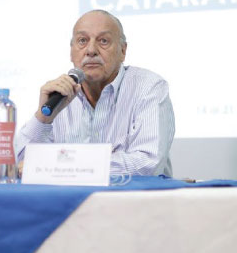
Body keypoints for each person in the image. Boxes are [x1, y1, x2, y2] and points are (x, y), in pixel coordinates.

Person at [15, 9, 175, 176]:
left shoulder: (148, 87)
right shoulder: (60, 94)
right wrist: (43, 118)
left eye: (103, 41)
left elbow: (148, 163)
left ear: (122, 51)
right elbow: (21, 164)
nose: (91, 50)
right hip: (69, 201)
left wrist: (67, 166)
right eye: (82, 41)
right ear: (71, 52)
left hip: (132, 200)